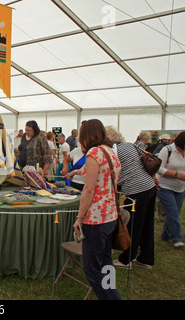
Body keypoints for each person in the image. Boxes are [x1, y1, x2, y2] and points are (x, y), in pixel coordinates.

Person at [72, 119, 122, 300]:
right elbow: (97, 174)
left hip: (96, 218)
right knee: (106, 263)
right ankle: (113, 294)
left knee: (92, 269)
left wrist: (79, 217)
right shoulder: (110, 151)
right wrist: (75, 172)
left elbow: (89, 189)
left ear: (87, 135)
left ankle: (110, 297)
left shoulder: (94, 152)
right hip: (110, 216)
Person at [105, 126, 157, 269]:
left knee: (133, 226)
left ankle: (126, 259)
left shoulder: (113, 152)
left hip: (136, 190)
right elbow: (147, 157)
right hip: (149, 186)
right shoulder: (130, 146)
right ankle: (146, 258)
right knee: (147, 224)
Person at [156, 131, 185, 249]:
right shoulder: (167, 150)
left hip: (180, 188)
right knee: (172, 213)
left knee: (174, 213)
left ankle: (165, 235)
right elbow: (159, 168)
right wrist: (176, 174)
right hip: (164, 186)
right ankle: (177, 239)